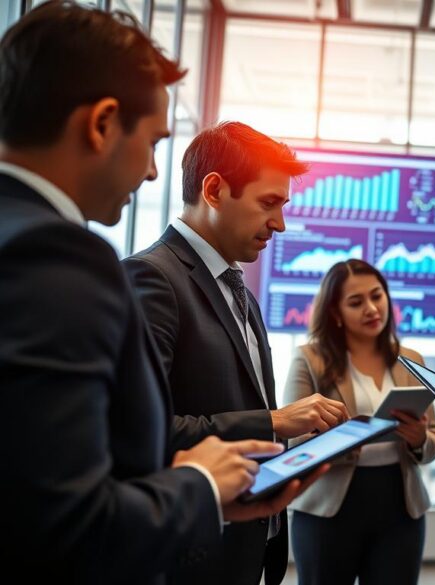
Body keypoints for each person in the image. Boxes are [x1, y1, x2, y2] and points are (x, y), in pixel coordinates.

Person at [0, 3, 324, 583]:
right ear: (101, 124)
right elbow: (59, 519)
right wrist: (201, 483)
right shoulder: (58, 258)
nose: (152, 173)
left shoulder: (239, 292)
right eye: (152, 142)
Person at [123, 122, 351, 585]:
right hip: (191, 551)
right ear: (214, 189)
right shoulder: (153, 278)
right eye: (268, 203)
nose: (280, 224)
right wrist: (273, 421)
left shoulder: (236, 286)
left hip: (245, 542)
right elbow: (141, 431)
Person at [284, 259, 435, 585]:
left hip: (400, 505)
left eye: (377, 296)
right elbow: (293, 443)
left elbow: (433, 443)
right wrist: (348, 439)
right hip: (329, 507)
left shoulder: (411, 359)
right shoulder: (309, 359)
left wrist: (417, 439)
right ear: (335, 313)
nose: (371, 309)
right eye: (356, 302)